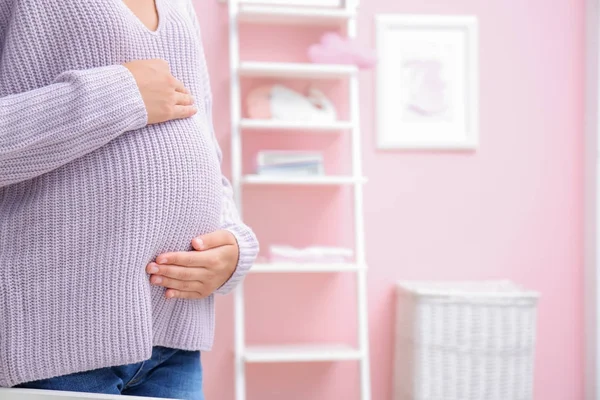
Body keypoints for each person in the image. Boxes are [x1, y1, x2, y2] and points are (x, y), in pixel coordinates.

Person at [0, 0, 259, 399]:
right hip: (57, 343)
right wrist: (120, 93)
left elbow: (202, 146)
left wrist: (232, 245)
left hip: (175, 342)